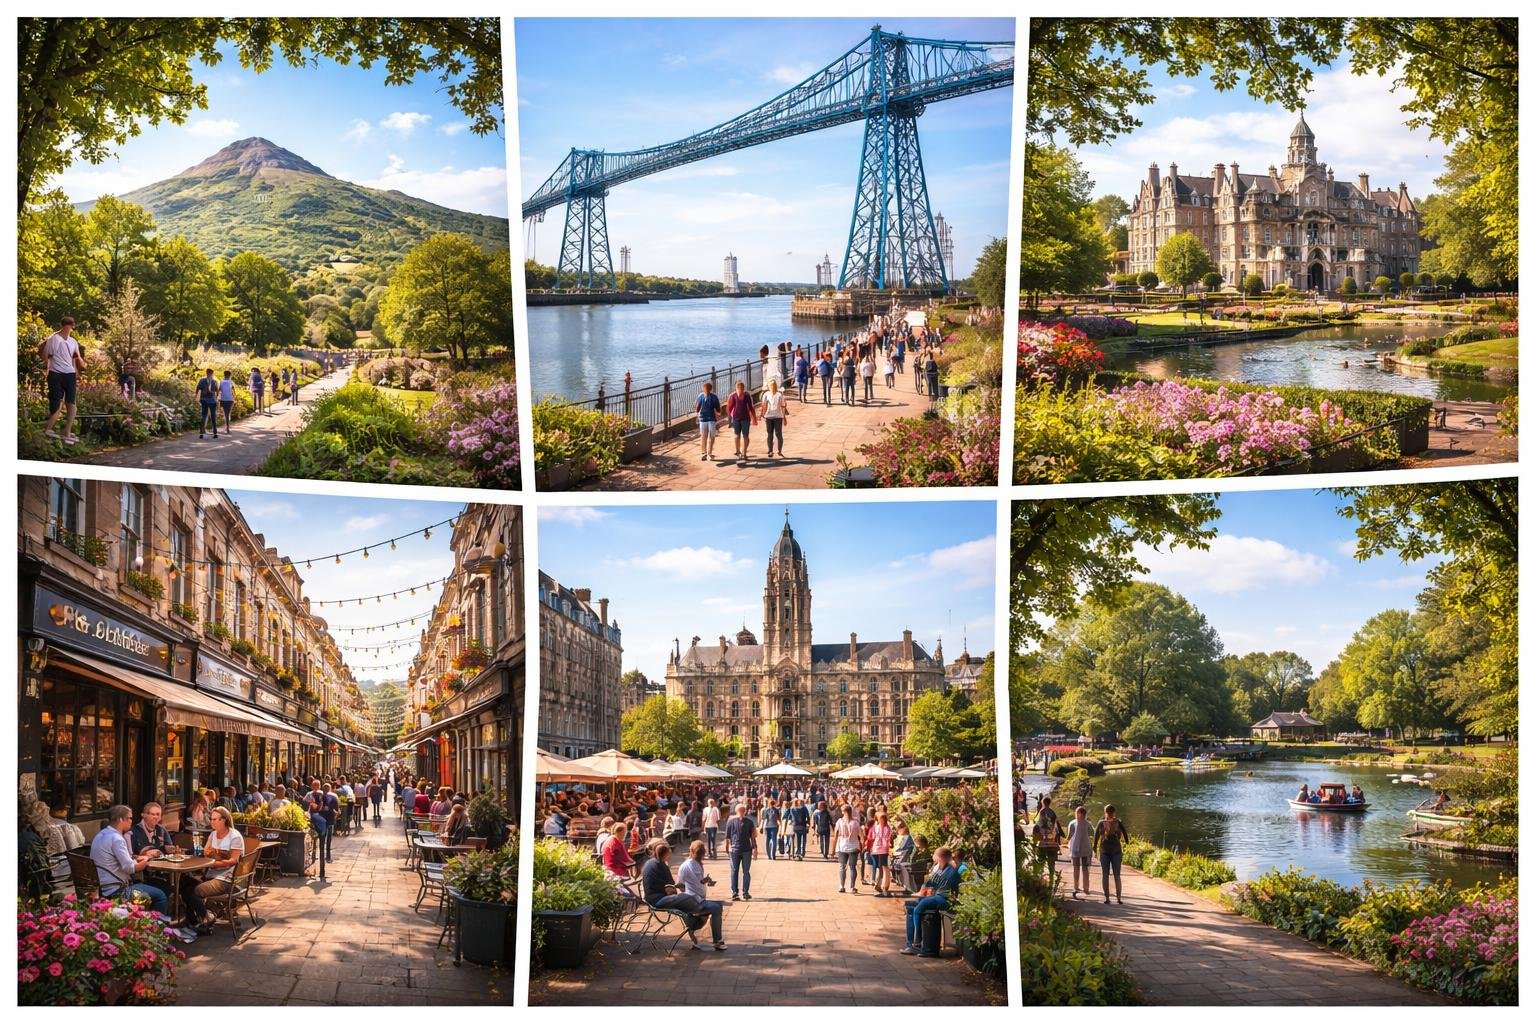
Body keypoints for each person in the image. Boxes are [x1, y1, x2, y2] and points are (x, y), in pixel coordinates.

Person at [90, 804, 197, 941]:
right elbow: (131, 868)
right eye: (129, 818)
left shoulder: (101, 835)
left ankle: (150, 927)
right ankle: (156, 934)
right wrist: (146, 859)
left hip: (103, 885)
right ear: (121, 819)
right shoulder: (117, 839)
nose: (131, 821)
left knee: (163, 886)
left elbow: (124, 860)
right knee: (160, 895)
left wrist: (137, 858)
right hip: (117, 889)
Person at [642, 842, 722, 952]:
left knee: (685, 899)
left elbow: (671, 886)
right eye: (669, 853)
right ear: (665, 855)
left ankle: (698, 918)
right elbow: (671, 887)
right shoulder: (661, 866)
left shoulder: (652, 863)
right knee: (686, 898)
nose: (670, 856)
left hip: (654, 898)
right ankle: (699, 914)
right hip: (658, 900)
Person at [900, 846, 960, 956]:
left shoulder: (950, 871)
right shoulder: (939, 867)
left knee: (919, 907)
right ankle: (911, 944)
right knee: (913, 906)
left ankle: (917, 942)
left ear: (940, 858)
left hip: (944, 898)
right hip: (936, 896)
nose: (934, 859)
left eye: (935, 857)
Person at [192, 806, 244, 927]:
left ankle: (207, 916)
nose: (212, 822)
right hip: (211, 873)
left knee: (197, 890)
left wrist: (215, 861)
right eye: (211, 819)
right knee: (186, 886)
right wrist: (216, 857)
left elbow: (233, 861)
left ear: (224, 820)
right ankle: (199, 917)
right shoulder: (213, 835)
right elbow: (206, 853)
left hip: (227, 878)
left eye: (215, 819)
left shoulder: (234, 836)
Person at [40, 316, 85, 445]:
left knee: (71, 404)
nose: (72, 327)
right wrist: (49, 368)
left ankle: (67, 431)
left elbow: (75, 359)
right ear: (70, 325)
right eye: (72, 325)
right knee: (57, 401)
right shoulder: (54, 339)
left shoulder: (73, 341)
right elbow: (45, 356)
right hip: (56, 374)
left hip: (69, 374)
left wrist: (76, 373)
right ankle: (48, 429)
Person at [676, 840, 727, 950]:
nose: (700, 857)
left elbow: (698, 881)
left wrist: (705, 880)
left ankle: (704, 934)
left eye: (701, 855)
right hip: (693, 900)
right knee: (717, 908)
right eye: (698, 855)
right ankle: (717, 940)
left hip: (699, 898)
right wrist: (687, 895)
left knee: (716, 907)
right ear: (692, 852)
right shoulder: (686, 866)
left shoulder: (697, 864)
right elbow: (679, 884)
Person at [1094, 804, 1129, 905]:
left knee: (1106, 874)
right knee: (1116, 875)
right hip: (1115, 851)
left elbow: (1096, 837)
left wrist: (1095, 849)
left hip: (1105, 850)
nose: (1110, 814)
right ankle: (1118, 898)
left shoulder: (1102, 823)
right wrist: (1126, 843)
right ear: (1114, 812)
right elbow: (1125, 834)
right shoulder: (1117, 822)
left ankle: (1108, 898)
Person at [723, 802, 756, 901]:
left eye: (742, 810)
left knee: (739, 871)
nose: (741, 812)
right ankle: (739, 892)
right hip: (739, 849)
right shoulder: (736, 822)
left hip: (741, 850)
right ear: (738, 811)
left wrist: (755, 848)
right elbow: (728, 837)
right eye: (740, 810)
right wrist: (727, 847)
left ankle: (739, 892)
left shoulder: (746, 822)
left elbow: (753, 837)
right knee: (740, 871)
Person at [1066, 804, 1094, 900]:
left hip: (1081, 848)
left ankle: (1081, 887)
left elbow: (1069, 836)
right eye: (1079, 814)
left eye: (1080, 814)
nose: (1080, 816)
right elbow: (1091, 834)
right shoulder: (1084, 823)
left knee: (1081, 869)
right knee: (1080, 869)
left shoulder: (1078, 823)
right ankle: (1081, 887)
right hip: (1080, 848)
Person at [834, 803, 863, 893]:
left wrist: (833, 849)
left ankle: (842, 886)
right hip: (854, 847)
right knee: (852, 867)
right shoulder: (855, 822)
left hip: (842, 846)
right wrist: (862, 846)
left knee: (842, 867)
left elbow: (835, 835)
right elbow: (861, 836)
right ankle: (852, 887)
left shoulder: (839, 821)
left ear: (843, 812)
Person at [725, 380, 757, 462]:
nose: (739, 389)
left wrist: (730, 417)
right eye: (739, 387)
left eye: (740, 387)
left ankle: (740, 452)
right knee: (742, 435)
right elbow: (750, 407)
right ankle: (742, 452)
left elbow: (729, 408)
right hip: (741, 418)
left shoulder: (739, 396)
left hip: (740, 418)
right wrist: (754, 418)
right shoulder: (741, 396)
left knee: (740, 435)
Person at [868, 808, 894, 896]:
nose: (880, 820)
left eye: (882, 818)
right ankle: (879, 884)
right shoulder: (876, 827)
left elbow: (889, 838)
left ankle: (884, 886)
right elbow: (871, 838)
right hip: (876, 849)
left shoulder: (887, 828)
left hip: (883, 849)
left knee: (884, 867)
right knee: (880, 867)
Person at [761, 379, 788, 458]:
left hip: (773, 417)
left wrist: (762, 414)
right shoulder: (773, 394)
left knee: (773, 434)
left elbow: (764, 406)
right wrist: (784, 417)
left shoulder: (778, 395)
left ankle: (774, 451)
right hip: (774, 416)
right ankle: (774, 451)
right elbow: (764, 405)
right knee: (775, 434)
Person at [695, 381, 722, 461]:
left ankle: (709, 453)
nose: (706, 390)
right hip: (703, 419)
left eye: (707, 389)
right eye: (705, 389)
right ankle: (704, 453)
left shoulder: (714, 397)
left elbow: (717, 408)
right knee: (704, 436)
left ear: (710, 389)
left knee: (711, 436)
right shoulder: (701, 396)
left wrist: (718, 412)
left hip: (711, 419)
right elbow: (697, 408)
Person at [195, 368, 220, 438]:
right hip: (212, 400)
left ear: (206, 373)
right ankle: (215, 433)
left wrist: (196, 396)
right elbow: (217, 390)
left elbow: (198, 388)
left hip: (204, 400)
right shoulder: (214, 381)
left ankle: (201, 433)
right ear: (212, 373)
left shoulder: (202, 380)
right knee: (213, 416)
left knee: (204, 416)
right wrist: (216, 397)